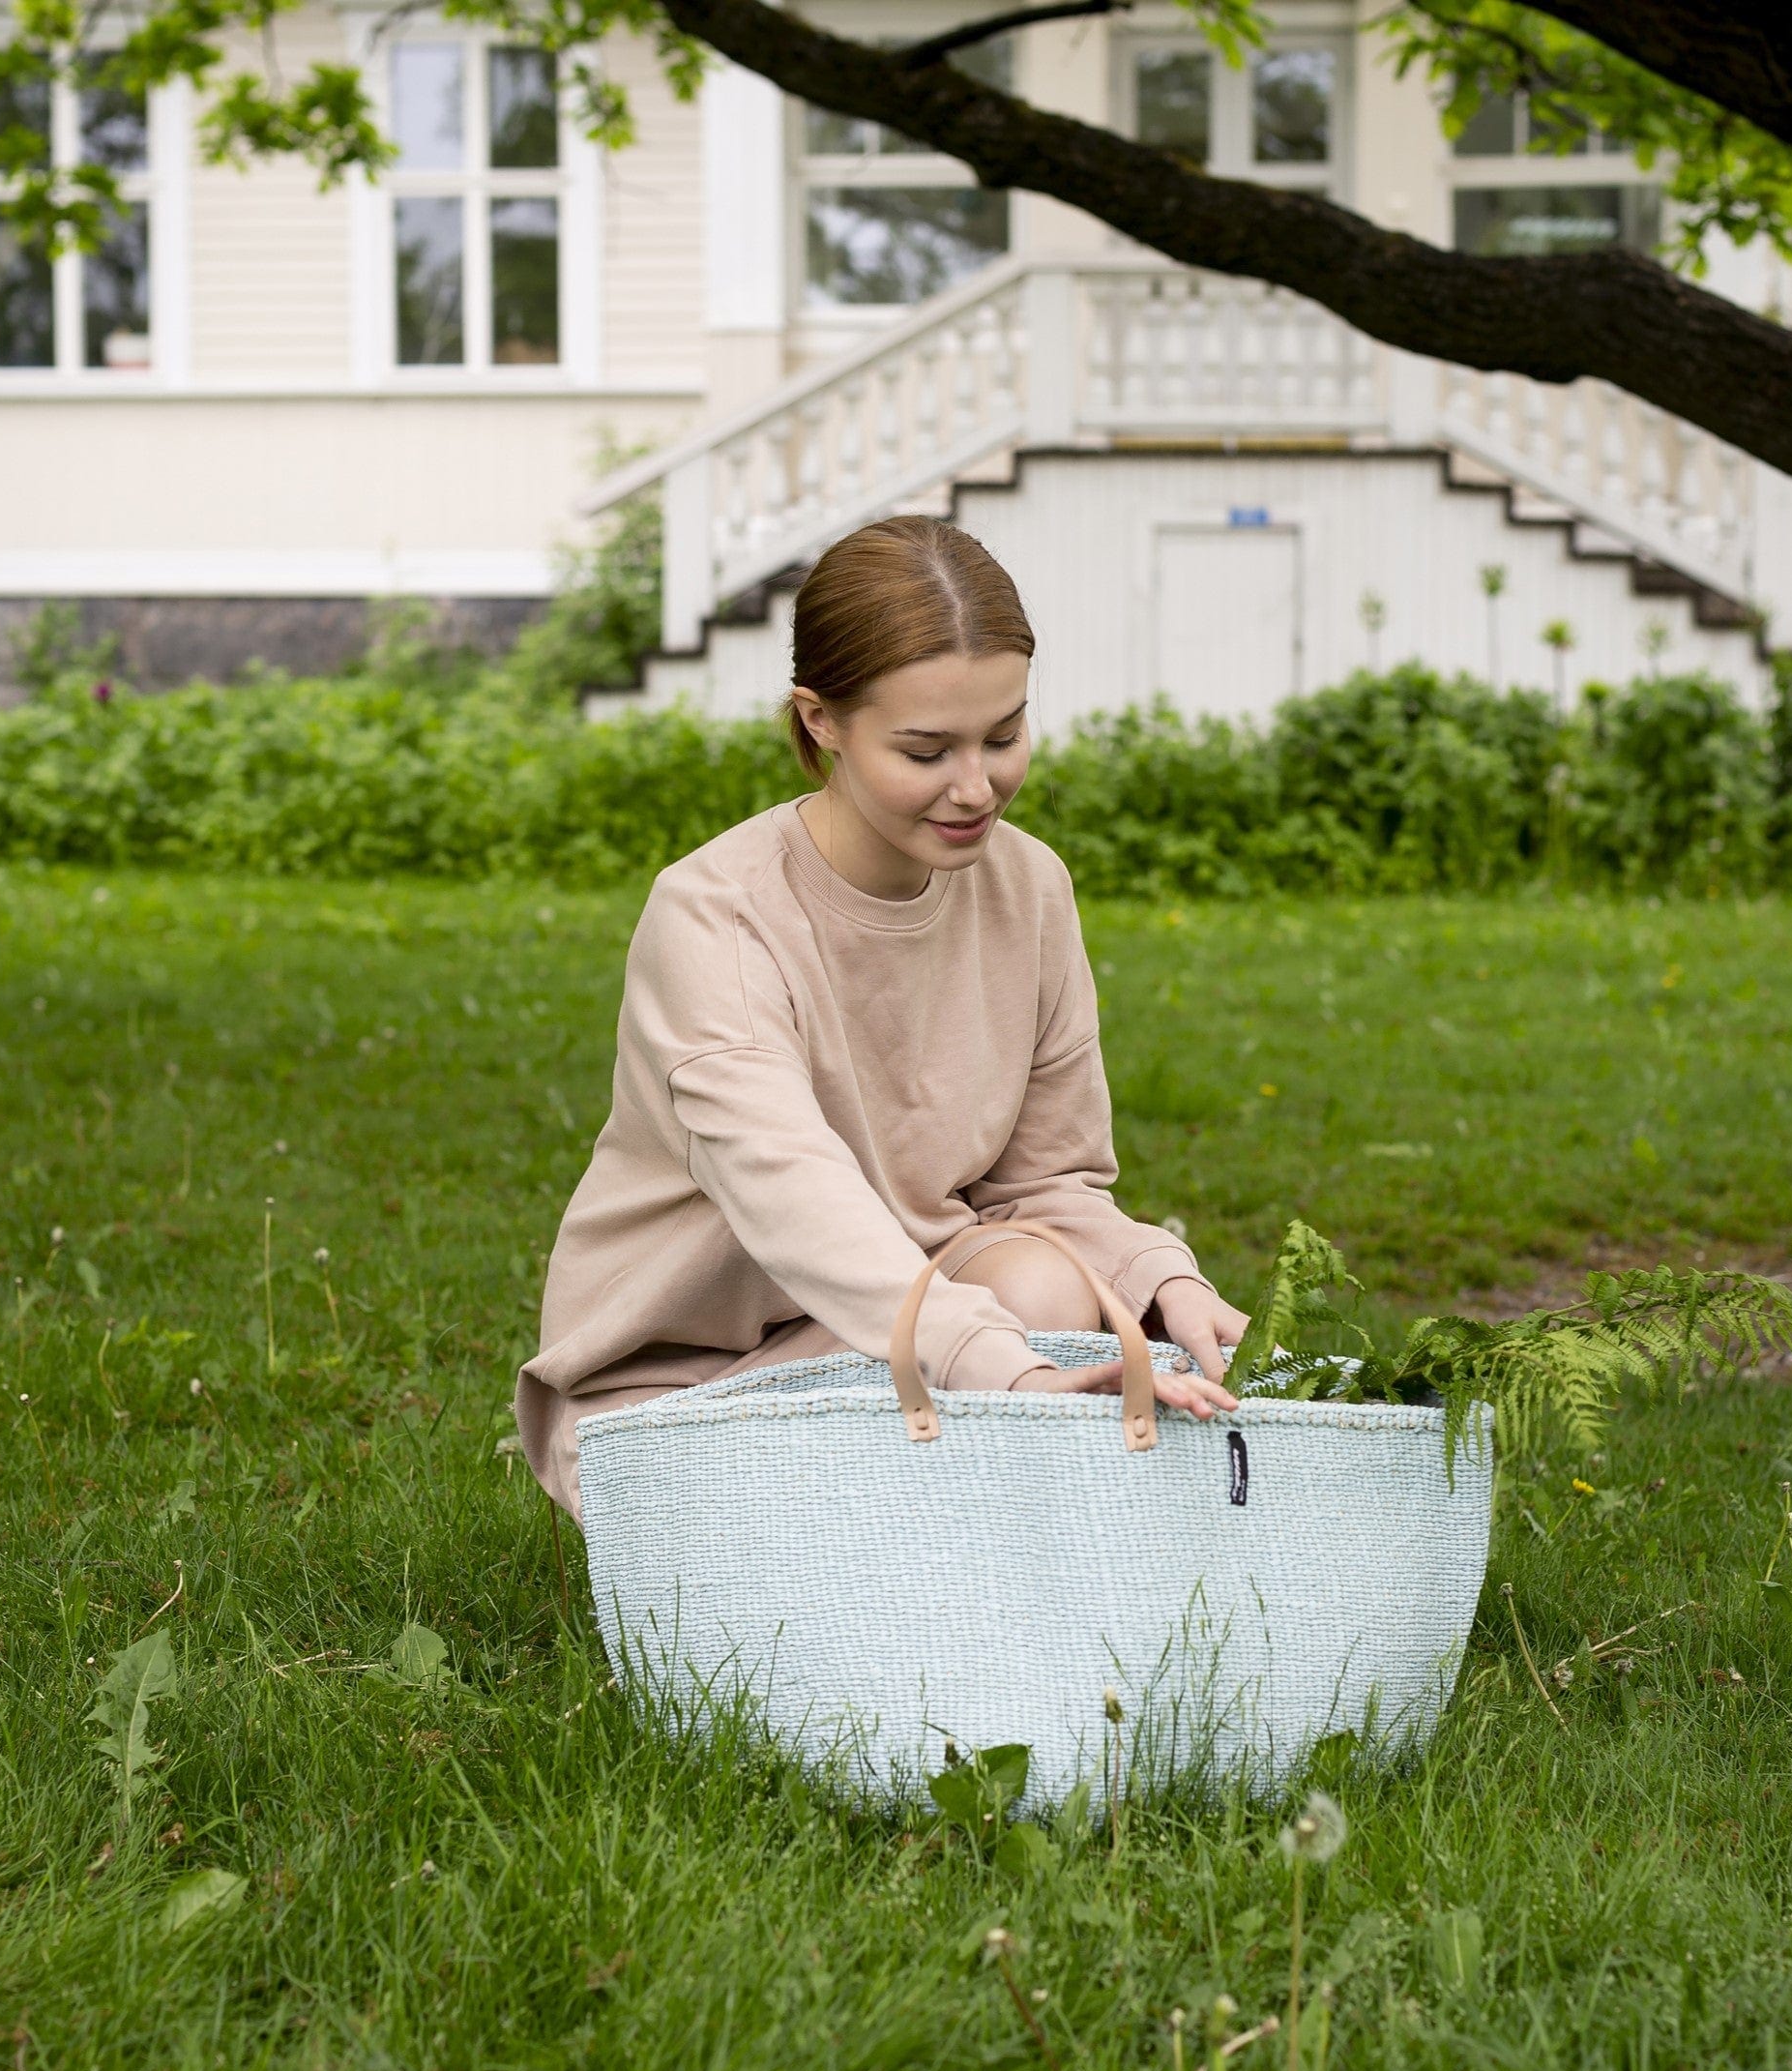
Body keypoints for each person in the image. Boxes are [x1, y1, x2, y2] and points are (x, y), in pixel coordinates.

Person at [516, 515, 1249, 1519]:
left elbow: (1048, 1181)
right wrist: (1003, 1371)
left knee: (1044, 1288)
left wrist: (1166, 1285)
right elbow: (793, 1196)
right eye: (926, 748)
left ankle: (962, 1580)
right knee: (1014, 1337)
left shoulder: (1029, 887)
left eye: (1004, 735)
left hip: (913, 1338)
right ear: (820, 721)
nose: (975, 785)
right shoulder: (715, 917)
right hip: (684, 1382)